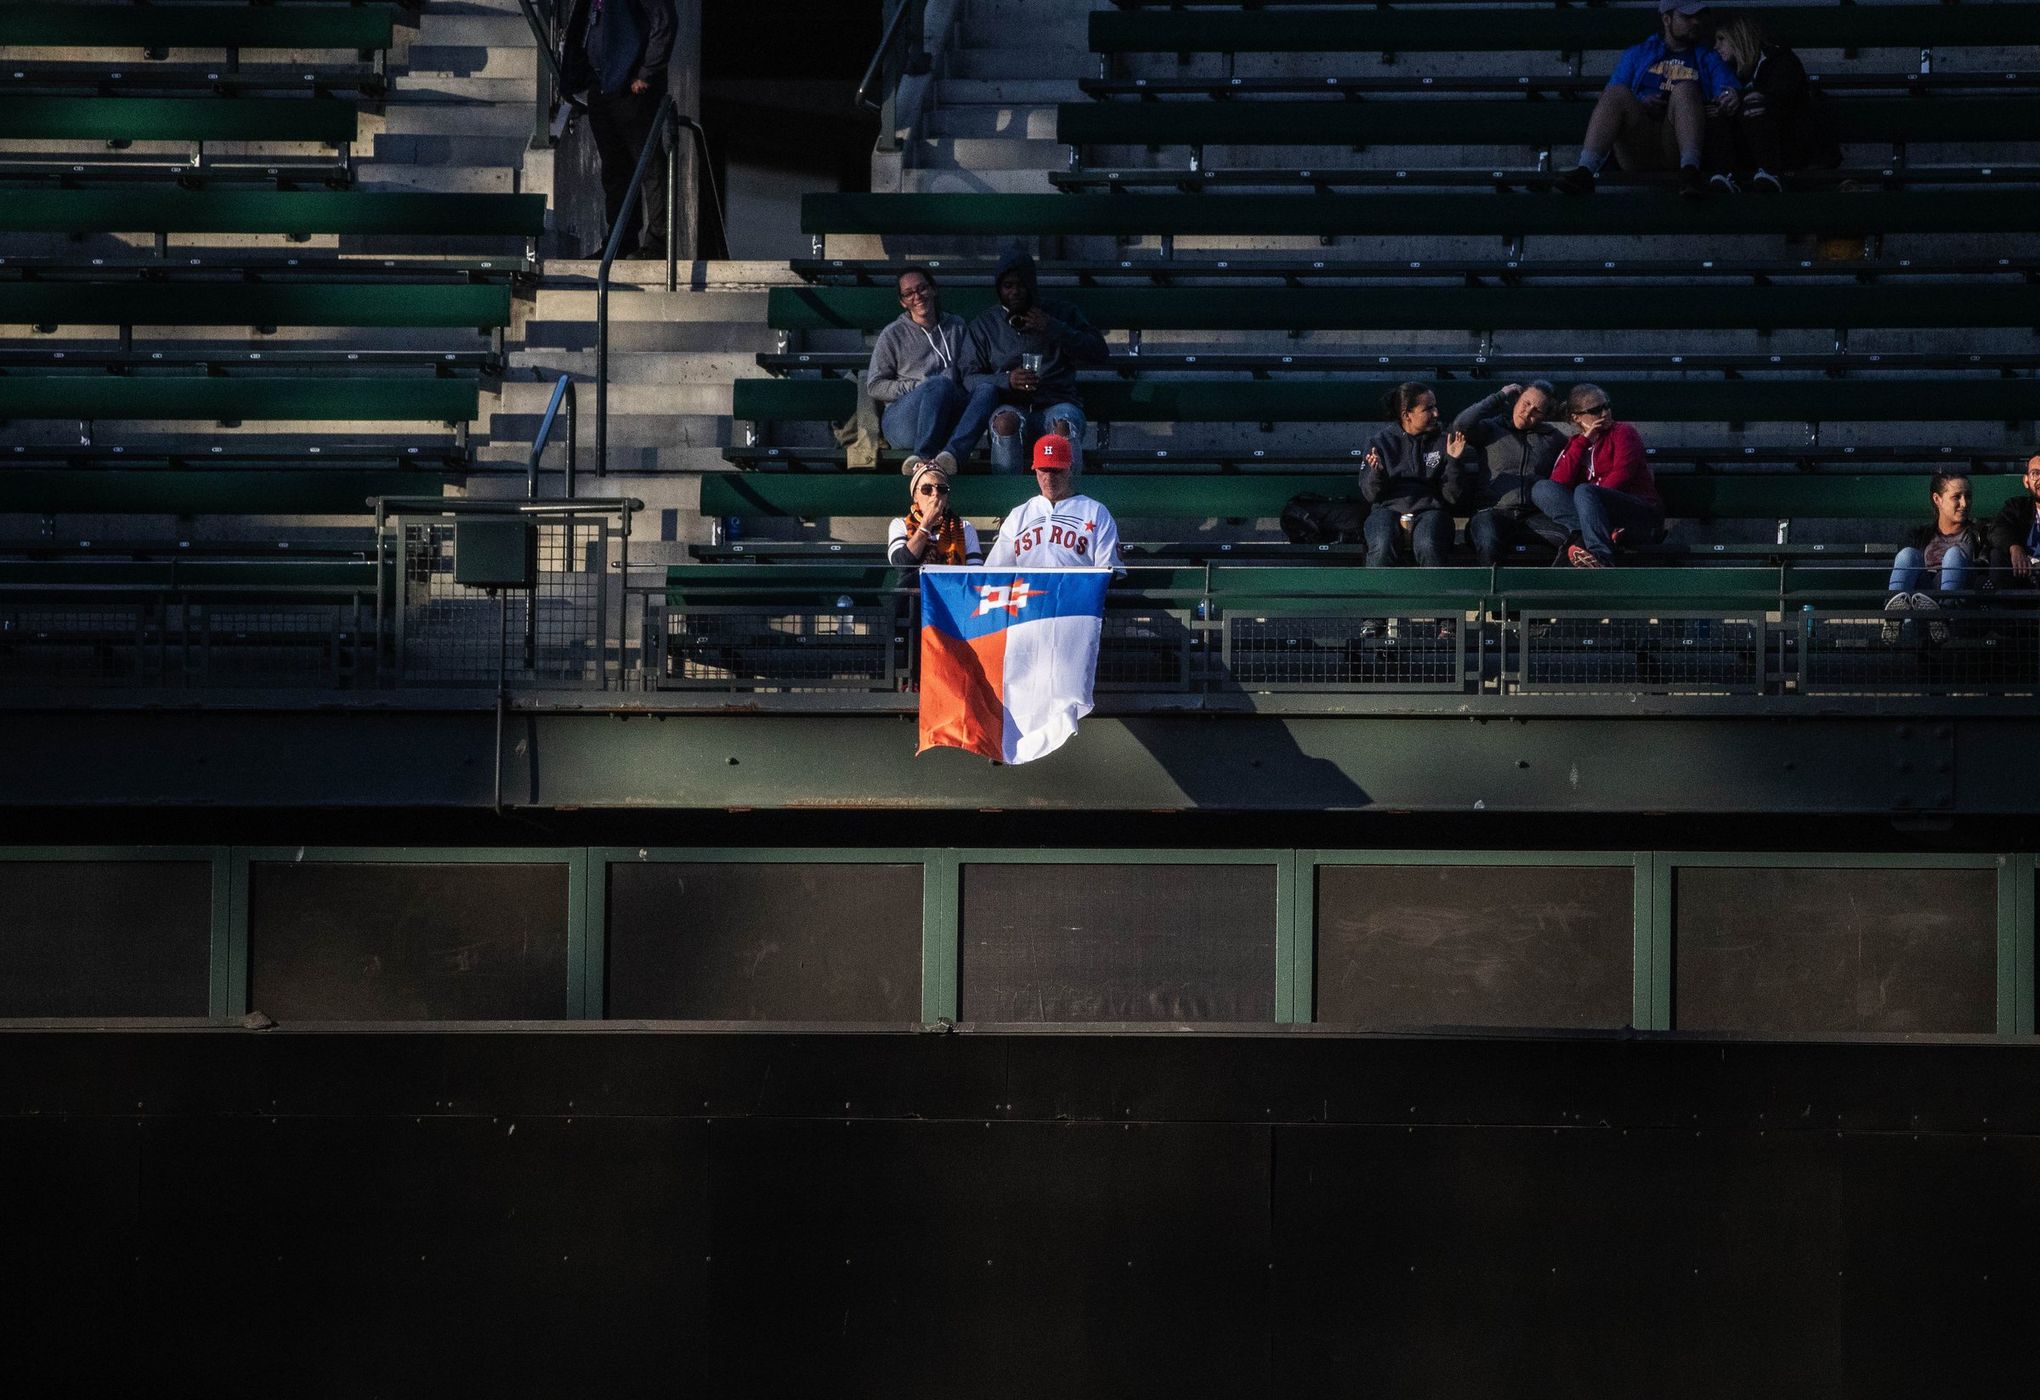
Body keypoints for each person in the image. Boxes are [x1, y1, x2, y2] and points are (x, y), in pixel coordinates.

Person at [1552, 0, 1740, 199]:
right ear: (1667, 19)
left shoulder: (1708, 57)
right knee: (1616, 93)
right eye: (1687, 17)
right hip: (1638, 142)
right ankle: (1585, 171)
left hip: (1677, 141)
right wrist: (1641, 101)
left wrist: (1728, 99)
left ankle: (1690, 172)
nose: (1696, 22)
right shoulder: (1638, 53)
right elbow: (1609, 99)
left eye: (1699, 16)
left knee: (1685, 88)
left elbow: (1729, 91)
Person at [962, 250, 1109, 472]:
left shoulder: (1061, 313)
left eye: (1021, 285)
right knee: (1004, 423)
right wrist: (1007, 380)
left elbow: (1099, 352)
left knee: (1064, 426)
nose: (1015, 292)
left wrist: (1054, 328)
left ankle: (1069, 499)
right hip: (1011, 404)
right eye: (1008, 286)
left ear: (1031, 284)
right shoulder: (985, 324)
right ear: (999, 289)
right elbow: (968, 378)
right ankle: (1006, 499)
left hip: (1057, 402)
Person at [561, 0, 677, 259]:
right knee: (615, 170)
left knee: (649, 166)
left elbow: (664, 23)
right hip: (602, 86)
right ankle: (621, 241)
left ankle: (658, 243)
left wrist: (645, 73)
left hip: (632, 88)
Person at [866, 267, 995, 475]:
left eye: (922, 288)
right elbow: (874, 385)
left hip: (948, 414)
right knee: (939, 383)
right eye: (909, 293)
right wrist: (920, 387)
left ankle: (951, 456)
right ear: (902, 302)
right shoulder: (893, 334)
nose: (917, 296)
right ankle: (923, 459)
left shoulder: (956, 326)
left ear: (933, 290)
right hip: (905, 421)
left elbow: (968, 371)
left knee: (987, 389)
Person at [1530, 384, 1663, 568]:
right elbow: (1559, 484)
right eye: (1596, 410)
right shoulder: (1575, 444)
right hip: (1602, 520)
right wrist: (1584, 441)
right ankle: (1591, 532)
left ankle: (1601, 557)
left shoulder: (1623, 432)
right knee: (1541, 488)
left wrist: (1593, 507)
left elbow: (1623, 474)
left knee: (1585, 492)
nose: (1605, 413)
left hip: (1638, 511)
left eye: (1606, 406)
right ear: (1577, 417)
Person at [1708, 10, 1839, 193]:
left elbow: (1782, 96)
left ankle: (1771, 173)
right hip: (1757, 147)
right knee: (1719, 110)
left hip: (1792, 144)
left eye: (1721, 39)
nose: (1716, 46)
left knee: (1754, 107)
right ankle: (1726, 174)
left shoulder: (1779, 59)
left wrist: (1744, 97)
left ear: (1738, 37)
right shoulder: (1736, 72)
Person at [1448, 381, 1571, 566]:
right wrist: (1499, 396)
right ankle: (1491, 593)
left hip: (1533, 517)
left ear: (1544, 416)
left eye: (1537, 410)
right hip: (1492, 513)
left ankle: (1555, 592)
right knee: (1488, 539)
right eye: (1526, 403)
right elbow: (1461, 425)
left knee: (1571, 540)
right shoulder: (1492, 428)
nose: (1528, 412)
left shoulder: (1553, 438)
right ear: (1516, 400)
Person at [1360, 382, 1468, 568]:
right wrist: (1376, 473)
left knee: (1428, 545)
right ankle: (1379, 595)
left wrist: (1454, 462)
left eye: (1435, 407)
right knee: (1382, 546)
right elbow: (1371, 495)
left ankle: (1434, 595)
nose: (1436, 413)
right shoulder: (1380, 443)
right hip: (1387, 509)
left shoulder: (1445, 441)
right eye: (1428, 409)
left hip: (1431, 511)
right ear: (1406, 415)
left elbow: (1452, 498)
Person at [983, 433, 1122, 573]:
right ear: (1035, 470)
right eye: (1043, 470)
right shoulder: (1018, 515)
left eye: (1056, 470)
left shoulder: (1096, 512)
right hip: (1028, 592)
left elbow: (1109, 572)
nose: (1048, 478)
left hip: (1074, 593)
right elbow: (995, 572)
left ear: (1070, 469)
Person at [1885, 472, 1984, 640]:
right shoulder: (1919, 534)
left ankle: (1943, 615)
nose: (1964, 503)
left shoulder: (1980, 532)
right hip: (1922, 597)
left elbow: (1984, 565)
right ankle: (1893, 616)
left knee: (1954, 553)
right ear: (1937, 499)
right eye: (1956, 497)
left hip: (1959, 598)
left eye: (1968, 496)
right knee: (1907, 554)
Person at [888, 461, 983, 568]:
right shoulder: (900, 524)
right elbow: (900, 562)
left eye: (942, 488)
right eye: (926, 489)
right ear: (915, 496)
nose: (935, 493)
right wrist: (926, 525)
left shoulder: (965, 527)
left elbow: (975, 573)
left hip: (953, 584)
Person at [1985, 454, 2040, 591]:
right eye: (2035, 473)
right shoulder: (2017, 507)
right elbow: (1997, 529)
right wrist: (2015, 548)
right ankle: (2004, 610)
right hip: (2022, 578)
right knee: (1997, 555)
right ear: (2026, 481)